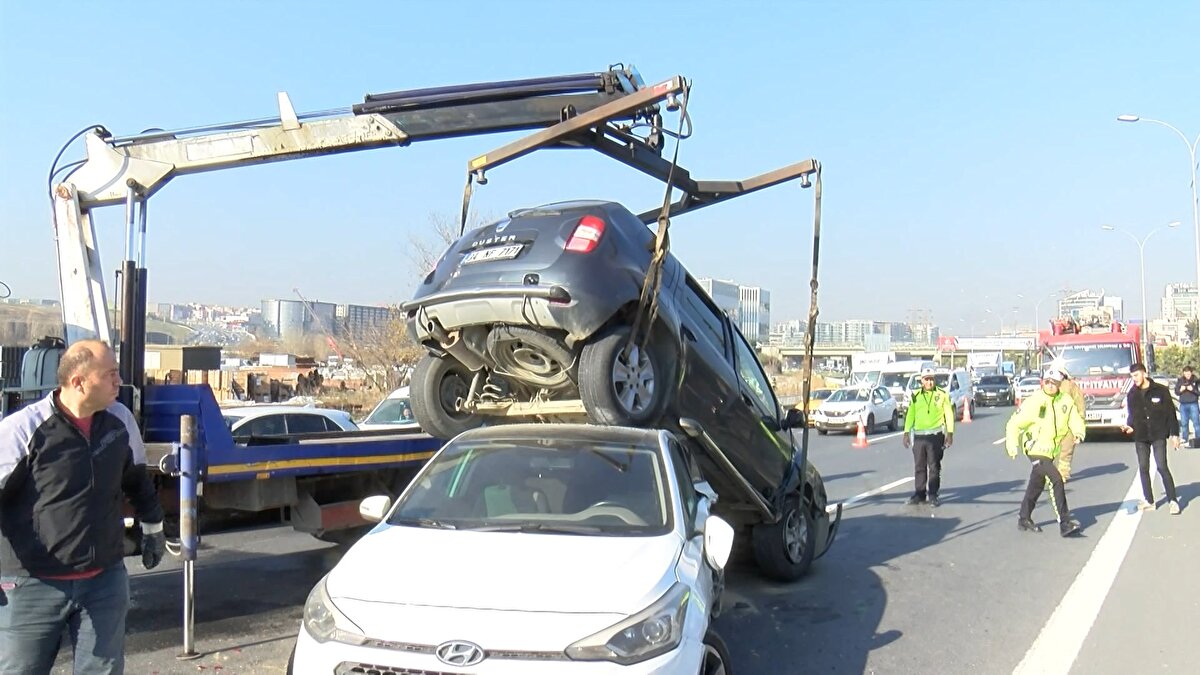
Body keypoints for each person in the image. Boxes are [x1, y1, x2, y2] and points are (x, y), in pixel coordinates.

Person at [0, 339, 166, 674]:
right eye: (110, 374)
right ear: (78, 381)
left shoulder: (120, 421)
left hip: (103, 582)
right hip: (32, 585)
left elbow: (137, 482)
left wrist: (153, 529)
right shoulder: (22, 431)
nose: (119, 381)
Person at [1005, 368, 1084, 536]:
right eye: (1046, 382)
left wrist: (1079, 432)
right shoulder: (1034, 401)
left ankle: (1024, 518)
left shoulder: (1065, 401)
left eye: (1053, 383)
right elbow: (1014, 423)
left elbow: (1074, 418)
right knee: (1056, 480)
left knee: (1037, 484)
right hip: (1034, 448)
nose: (1049, 386)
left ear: (1059, 385)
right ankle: (1065, 523)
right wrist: (1012, 445)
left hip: (1050, 450)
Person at [1122, 363, 1182, 514]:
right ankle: (1149, 500)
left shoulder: (1161, 391)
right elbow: (1132, 415)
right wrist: (1129, 426)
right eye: (1132, 376)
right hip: (1141, 436)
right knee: (1143, 467)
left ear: (1144, 373)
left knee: (1162, 466)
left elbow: (1171, 414)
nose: (1134, 379)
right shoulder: (1132, 394)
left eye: (1136, 375)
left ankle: (1173, 500)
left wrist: (1175, 434)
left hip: (1158, 435)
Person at [902, 371, 955, 507]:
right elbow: (910, 415)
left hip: (935, 435)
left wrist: (950, 433)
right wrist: (906, 432)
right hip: (919, 436)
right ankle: (919, 494)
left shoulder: (942, 395)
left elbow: (948, 414)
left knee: (934, 466)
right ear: (922, 381)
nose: (929, 382)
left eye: (931, 379)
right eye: (926, 380)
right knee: (919, 466)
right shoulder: (916, 396)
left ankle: (933, 494)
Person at [1050, 363, 1086, 483]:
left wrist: (1080, 423)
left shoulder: (1071, 385)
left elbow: (1079, 403)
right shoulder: (1048, 386)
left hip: (1068, 423)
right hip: (1051, 423)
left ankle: (1063, 474)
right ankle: (1051, 474)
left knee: (1066, 450)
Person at [1174, 365, 1199, 448]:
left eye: (1189, 373)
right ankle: (1185, 439)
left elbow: (1198, 392)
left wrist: (1193, 390)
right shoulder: (1180, 380)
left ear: (1191, 373)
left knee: (1196, 422)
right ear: (1183, 373)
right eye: (1186, 373)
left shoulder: (1196, 380)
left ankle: (1198, 438)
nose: (1187, 375)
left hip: (1193, 403)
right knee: (1184, 423)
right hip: (1183, 404)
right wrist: (1181, 389)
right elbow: (1176, 392)